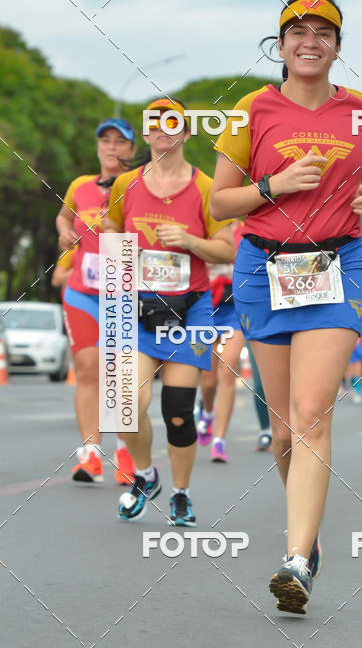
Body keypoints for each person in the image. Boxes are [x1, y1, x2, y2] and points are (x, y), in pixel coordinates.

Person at [210, 0, 362, 613]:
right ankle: (308, 540)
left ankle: (294, 558)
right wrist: (273, 184)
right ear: (279, 44)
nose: (310, 42)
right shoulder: (251, 113)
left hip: (340, 266)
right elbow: (219, 204)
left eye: (323, 32)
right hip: (265, 268)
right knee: (284, 430)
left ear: (338, 46)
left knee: (312, 413)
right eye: (297, 31)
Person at [103, 99, 235, 525]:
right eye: (154, 123)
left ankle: (181, 493)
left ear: (186, 132)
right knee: (124, 402)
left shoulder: (205, 186)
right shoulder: (126, 184)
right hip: (135, 307)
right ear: (146, 134)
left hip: (190, 309)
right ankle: (145, 475)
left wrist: (190, 241)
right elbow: (110, 229)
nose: (163, 129)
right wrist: (124, 252)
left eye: (172, 122)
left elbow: (228, 247)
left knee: (178, 410)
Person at [56, 118, 137, 485]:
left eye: (120, 142)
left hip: (123, 294)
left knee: (121, 374)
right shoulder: (80, 186)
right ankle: (90, 453)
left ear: (132, 150)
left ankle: (126, 451)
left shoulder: (138, 186)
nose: (111, 147)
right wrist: (64, 232)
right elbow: (64, 215)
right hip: (82, 292)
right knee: (88, 366)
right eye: (105, 140)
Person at [196, 221, 246, 463]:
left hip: (234, 310)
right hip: (206, 307)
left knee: (228, 369)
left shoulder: (247, 231)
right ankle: (206, 412)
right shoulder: (206, 226)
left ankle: (219, 441)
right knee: (208, 380)